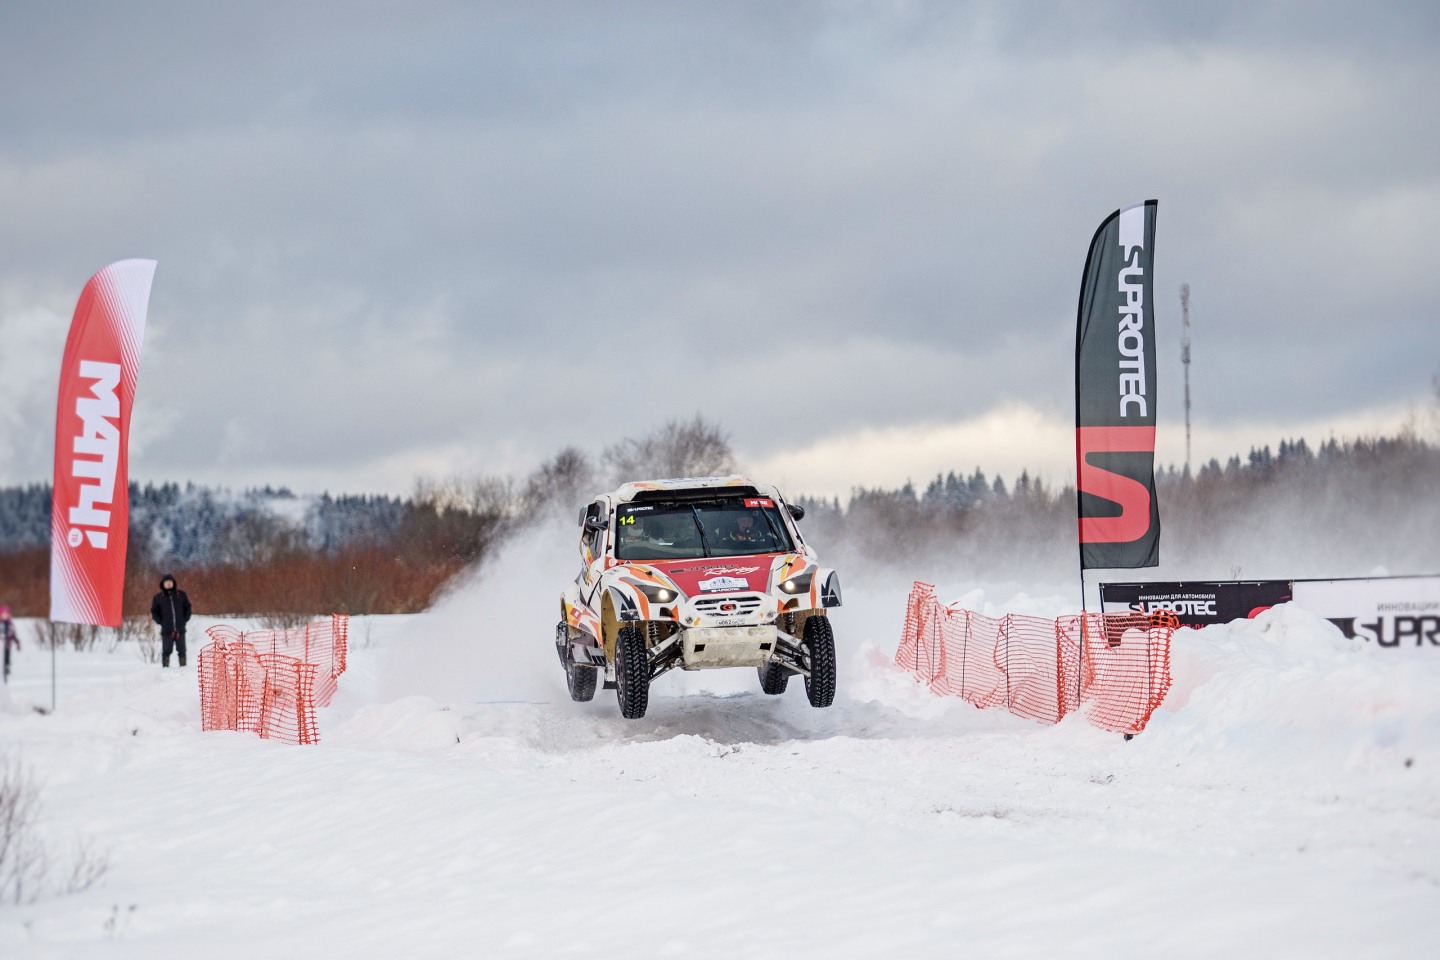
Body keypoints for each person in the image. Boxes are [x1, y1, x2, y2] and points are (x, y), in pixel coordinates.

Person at [150, 573, 193, 668]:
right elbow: (154, 611)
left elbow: (188, 607)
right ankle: (165, 668)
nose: (168, 584)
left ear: (173, 583)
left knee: (182, 650)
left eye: (170, 582)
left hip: (180, 629)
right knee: (166, 650)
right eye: (166, 582)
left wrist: (185, 618)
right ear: (163, 584)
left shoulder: (181, 595)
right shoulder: (158, 598)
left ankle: (183, 668)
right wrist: (160, 621)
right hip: (167, 630)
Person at [1, 606, 18, 683]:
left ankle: (6, 666)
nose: (5, 616)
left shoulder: (10, 624)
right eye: (3, 614)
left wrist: (17, 642)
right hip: (0, 644)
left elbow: (13, 634)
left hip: (7, 644)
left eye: (6, 614)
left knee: (7, 655)